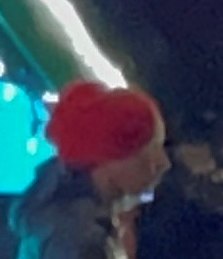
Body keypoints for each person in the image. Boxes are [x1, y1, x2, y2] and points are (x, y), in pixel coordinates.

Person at [12, 80, 168, 259]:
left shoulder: (61, 223)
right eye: (148, 151)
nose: (162, 163)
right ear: (110, 158)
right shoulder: (81, 238)